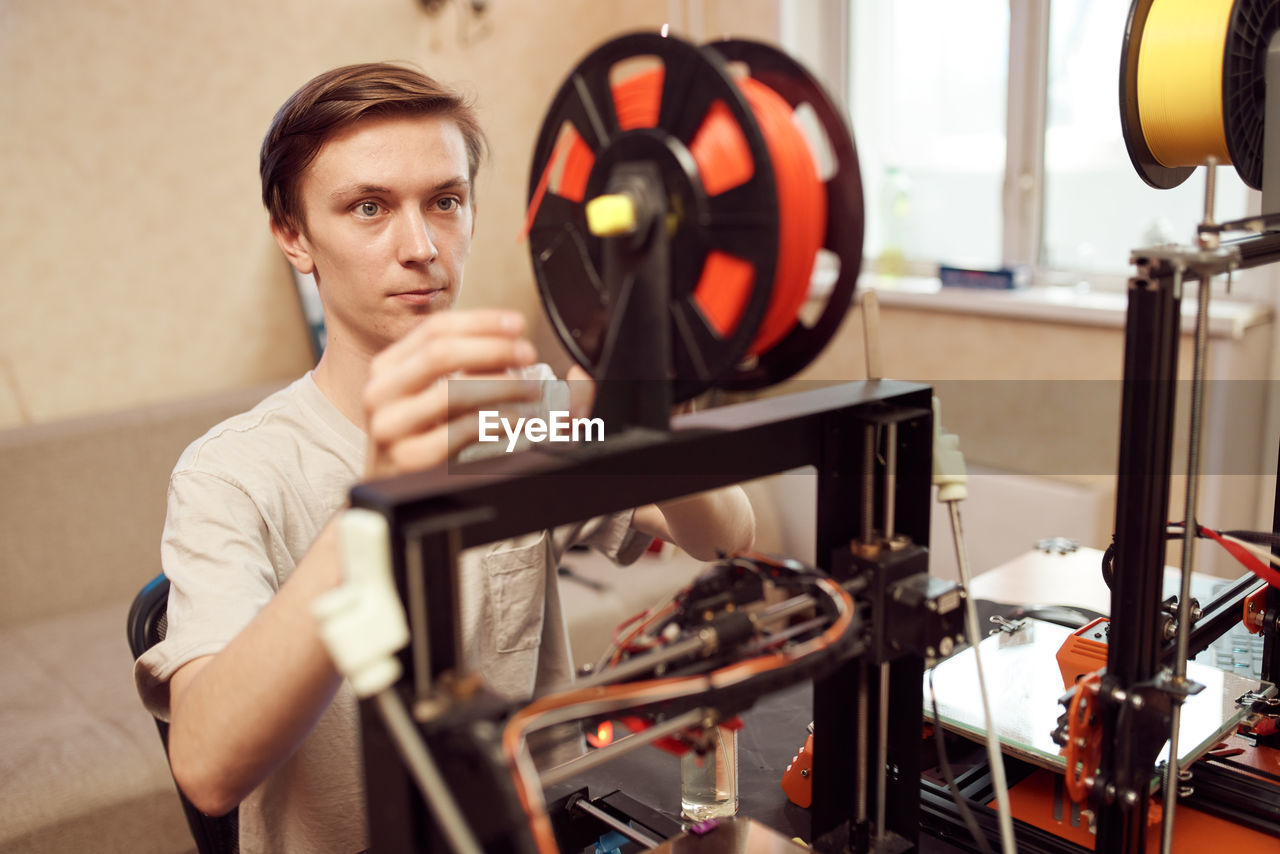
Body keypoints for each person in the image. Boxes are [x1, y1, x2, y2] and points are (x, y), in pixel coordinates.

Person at [134, 62, 755, 854]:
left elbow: (730, 537)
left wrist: (649, 435)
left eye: (446, 202)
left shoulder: (515, 412)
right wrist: (377, 505)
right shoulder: (232, 475)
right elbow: (209, 767)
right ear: (294, 236)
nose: (422, 247)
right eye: (369, 208)